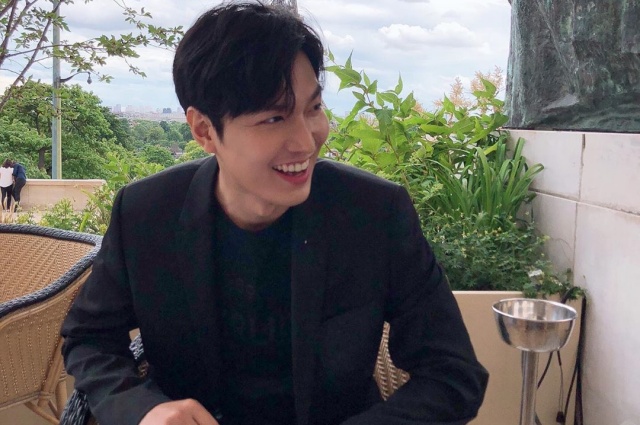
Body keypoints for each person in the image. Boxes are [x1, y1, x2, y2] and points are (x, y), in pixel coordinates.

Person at [61, 3, 488, 425]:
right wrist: (143, 409)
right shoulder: (147, 212)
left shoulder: (373, 214)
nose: (306, 141)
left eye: (313, 108)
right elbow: (90, 337)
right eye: (273, 118)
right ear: (204, 130)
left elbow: (453, 373)